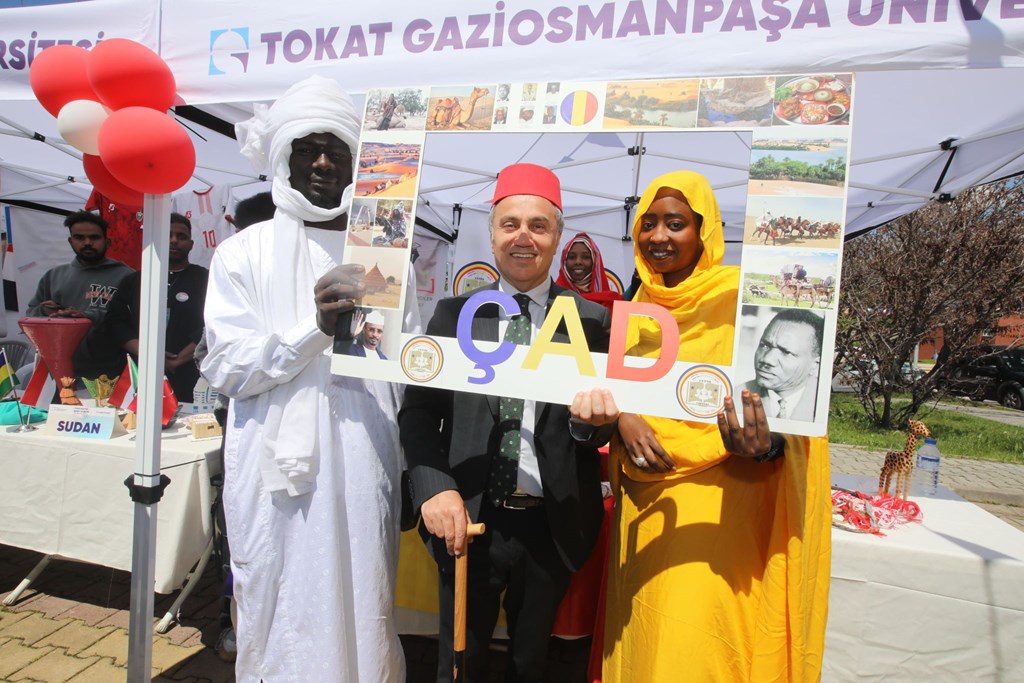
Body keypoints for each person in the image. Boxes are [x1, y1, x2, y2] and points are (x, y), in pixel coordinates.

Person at [201, 75, 420, 683]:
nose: (323, 163)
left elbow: (404, 367)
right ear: (283, 157)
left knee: (365, 600)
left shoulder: (384, 252)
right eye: (307, 148)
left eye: (336, 149)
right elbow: (226, 366)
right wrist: (314, 330)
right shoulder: (242, 253)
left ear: (356, 160)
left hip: (365, 459)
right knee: (280, 604)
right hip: (277, 473)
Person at [602, 171, 831, 682]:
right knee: (643, 640)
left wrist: (764, 446)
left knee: (695, 646)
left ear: (705, 232)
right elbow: (615, 386)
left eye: (675, 223)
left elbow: (788, 420)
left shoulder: (739, 297)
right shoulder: (637, 304)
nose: (658, 236)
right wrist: (623, 416)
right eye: (648, 223)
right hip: (645, 503)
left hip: (720, 505)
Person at [399, 163, 617, 683]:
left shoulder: (591, 321)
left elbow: (596, 431)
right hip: (468, 518)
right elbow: (418, 412)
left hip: (552, 525)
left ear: (557, 236)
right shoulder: (453, 316)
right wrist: (433, 488)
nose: (524, 237)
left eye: (538, 225)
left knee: (531, 664)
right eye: (510, 224)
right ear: (492, 235)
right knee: (460, 662)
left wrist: (592, 425)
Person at [107, 214, 209, 402]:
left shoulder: (206, 279)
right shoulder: (135, 280)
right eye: (168, 235)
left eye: (181, 236)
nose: (174, 240)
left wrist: (179, 359)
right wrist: (148, 354)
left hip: (190, 373)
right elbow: (115, 322)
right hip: (142, 372)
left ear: (191, 244)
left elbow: (214, 323)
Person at [26, 210, 133, 381]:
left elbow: (136, 322)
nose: (87, 243)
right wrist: (46, 311)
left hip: (110, 374)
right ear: (70, 241)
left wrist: (88, 317)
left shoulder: (127, 277)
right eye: (80, 238)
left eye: (94, 237)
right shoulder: (54, 276)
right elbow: (30, 318)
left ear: (107, 241)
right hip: (59, 372)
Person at [738, 308, 824, 422]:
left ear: (815, 365)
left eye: (786, 352)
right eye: (764, 345)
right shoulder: (735, 398)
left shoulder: (823, 407)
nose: (767, 359)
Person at [554, 232, 624, 313]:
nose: (578, 262)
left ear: (594, 262)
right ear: (564, 262)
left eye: (585, 257)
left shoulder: (611, 301)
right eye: (572, 257)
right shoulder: (553, 296)